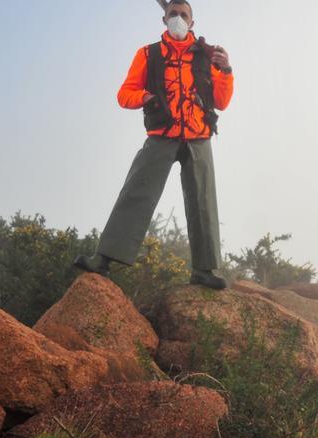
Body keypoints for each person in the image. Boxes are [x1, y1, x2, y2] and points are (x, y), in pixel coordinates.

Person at [74, 0, 234, 289]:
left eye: (183, 15)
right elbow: (125, 94)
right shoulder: (148, 53)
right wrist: (144, 98)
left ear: (192, 23)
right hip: (162, 133)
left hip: (198, 137)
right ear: (164, 19)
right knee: (137, 191)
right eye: (173, 13)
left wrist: (226, 71)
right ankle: (104, 258)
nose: (178, 18)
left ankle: (204, 270)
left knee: (203, 202)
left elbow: (221, 101)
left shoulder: (208, 56)